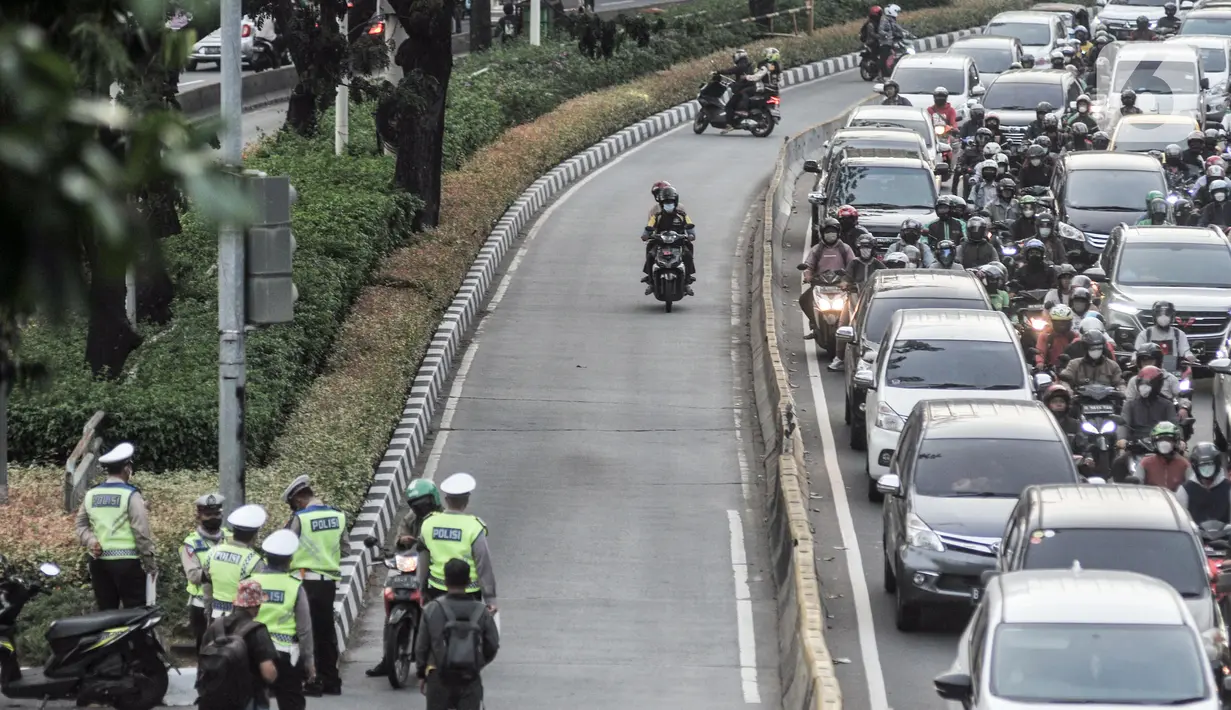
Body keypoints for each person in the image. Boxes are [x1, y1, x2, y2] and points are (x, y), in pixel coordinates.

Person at [366, 480, 444, 677]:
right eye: (415, 504)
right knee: (392, 603)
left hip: (437, 570)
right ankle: (387, 658)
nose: (420, 508)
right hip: (412, 567)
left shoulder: (444, 518)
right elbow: (399, 541)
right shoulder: (410, 518)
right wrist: (402, 541)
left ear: (433, 499)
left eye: (423, 503)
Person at [282, 475, 350, 696]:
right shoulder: (338, 515)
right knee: (326, 632)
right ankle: (332, 681)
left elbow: (285, 548)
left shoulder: (300, 519)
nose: (295, 508)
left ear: (300, 498)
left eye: (294, 504)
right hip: (328, 584)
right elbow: (346, 549)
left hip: (304, 583)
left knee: (305, 632)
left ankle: (311, 680)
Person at [75, 442, 156, 611]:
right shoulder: (130, 494)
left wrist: (91, 541)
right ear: (127, 468)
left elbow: (81, 524)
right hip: (127, 565)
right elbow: (141, 532)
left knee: (106, 613)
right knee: (135, 613)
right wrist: (150, 563)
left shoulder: (92, 494)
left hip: (99, 564)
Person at [414, 559, 500, 710]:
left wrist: (422, 674)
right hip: (469, 678)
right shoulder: (481, 612)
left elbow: (421, 647)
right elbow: (492, 644)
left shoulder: (432, 609)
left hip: (438, 677)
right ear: (468, 581)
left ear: (445, 581)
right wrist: (477, 662)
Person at [249, 530, 314, 710]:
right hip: (285, 655)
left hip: (253, 652)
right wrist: (309, 661)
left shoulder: (250, 582)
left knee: (254, 701)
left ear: (266, 557)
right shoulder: (294, 586)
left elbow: (238, 617)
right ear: (290, 560)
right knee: (292, 702)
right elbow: (304, 629)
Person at [418, 472, 498, 611]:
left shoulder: (428, 523)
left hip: (436, 589)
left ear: (446, 499)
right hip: (469, 592)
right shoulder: (474, 527)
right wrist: (490, 598)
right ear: (466, 500)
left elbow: (423, 561)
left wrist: (420, 590)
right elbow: (483, 564)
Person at [197, 579, 279, 710]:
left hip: (213, 698)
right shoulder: (257, 630)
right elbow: (268, 673)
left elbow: (202, 662)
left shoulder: (215, 626)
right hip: (247, 700)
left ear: (236, 603)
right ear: (256, 606)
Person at [182, 492, 228, 650]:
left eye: (217, 514)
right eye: (208, 515)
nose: (213, 518)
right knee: (204, 649)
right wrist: (223, 571)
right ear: (199, 516)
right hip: (201, 604)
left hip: (227, 604)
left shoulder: (230, 538)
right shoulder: (191, 542)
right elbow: (193, 575)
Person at [203, 504, 265, 620]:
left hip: (215, 616)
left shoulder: (212, 552)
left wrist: (207, 609)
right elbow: (257, 597)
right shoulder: (254, 560)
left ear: (234, 531)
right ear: (255, 535)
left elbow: (206, 585)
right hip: (240, 620)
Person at [642, 186, 696, 293]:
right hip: (660, 243)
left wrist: (691, 235)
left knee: (688, 253)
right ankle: (651, 280)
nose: (668, 204)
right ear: (661, 203)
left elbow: (690, 225)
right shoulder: (656, 216)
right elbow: (649, 227)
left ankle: (687, 280)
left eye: (670, 202)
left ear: (675, 202)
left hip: (678, 243)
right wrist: (646, 235)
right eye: (666, 202)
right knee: (650, 254)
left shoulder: (682, 215)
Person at [1117, 365, 1180, 451]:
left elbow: (1174, 424)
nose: (1143, 387)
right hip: (1136, 446)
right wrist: (1122, 439)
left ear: (1157, 384)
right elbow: (1124, 424)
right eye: (1141, 384)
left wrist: (1181, 440)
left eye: (1147, 384)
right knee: (1119, 462)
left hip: (1162, 446)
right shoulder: (1130, 405)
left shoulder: (1167, 405)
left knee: (1182, 462)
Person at [1174, 442, 1231, 524]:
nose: (1207, 470)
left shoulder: (1228, 488)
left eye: (1210, 465)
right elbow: (1180, 520)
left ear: (1217, 464)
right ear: (1195, 466)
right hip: (1195, 535)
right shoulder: (1184, 491)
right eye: (1203, 466)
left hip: (1226, 535)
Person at [1137, 421, 1192, 492]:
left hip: (1176, 501)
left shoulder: (1184, 464)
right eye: (1161, 439)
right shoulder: (1145, 463)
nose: (1164, 443)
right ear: (1155, 442)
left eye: (1168, 439)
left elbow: (1192, 489)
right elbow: (1136, 486)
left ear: (1175, 441)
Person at [717, 49, 758, 122]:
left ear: (739, 56)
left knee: (728, 106)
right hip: (751, 87)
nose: (734, 58)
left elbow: (730, 71)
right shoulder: (748, 65)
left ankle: (729, 124)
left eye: (735, 56)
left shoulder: (741, 65)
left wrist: (719, 72)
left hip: (744, 88)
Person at [1035, 304, 1079, 370]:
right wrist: (1040, 362)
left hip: (1071, 370)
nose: (1062, 325)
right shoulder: (1045, 336)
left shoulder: (1075, 337)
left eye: (1065, 322)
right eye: (1058, 322)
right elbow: (1040, 351)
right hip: (1051, 371)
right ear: (1052, 321)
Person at [876, 4, 905, 78]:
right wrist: (886, 35)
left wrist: (906, 32)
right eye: (896, 11)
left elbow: (897, 28)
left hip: (891, 41)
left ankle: (889, 71)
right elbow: (880, 30)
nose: (897, 13)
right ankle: (880, 75)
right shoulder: (884, 20)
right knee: (883, 58)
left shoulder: (891, 19)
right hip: (885, 42)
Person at [860, 6, 883, 71]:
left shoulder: (879, 22)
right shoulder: (870, 24)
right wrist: (880, 36)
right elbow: (872, 34)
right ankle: (879, 73)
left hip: (877, 40)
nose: (880, 15)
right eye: (879, 13)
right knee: (878, 53)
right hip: (871, 41)